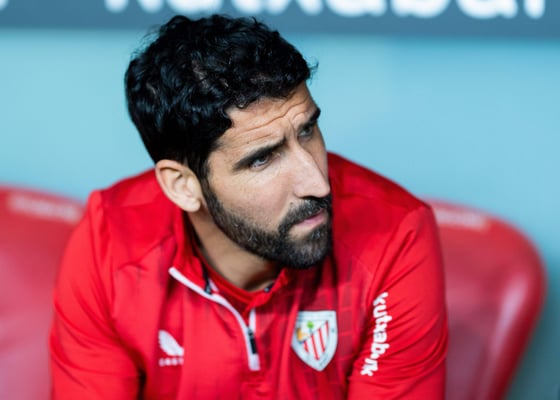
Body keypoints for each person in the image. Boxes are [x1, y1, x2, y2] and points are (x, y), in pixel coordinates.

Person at [49, 14, 448, 399]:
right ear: (183, 186)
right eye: (262, 159)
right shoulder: (109, 241)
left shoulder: (395, 232)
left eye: (307, 130)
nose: (317, 183)